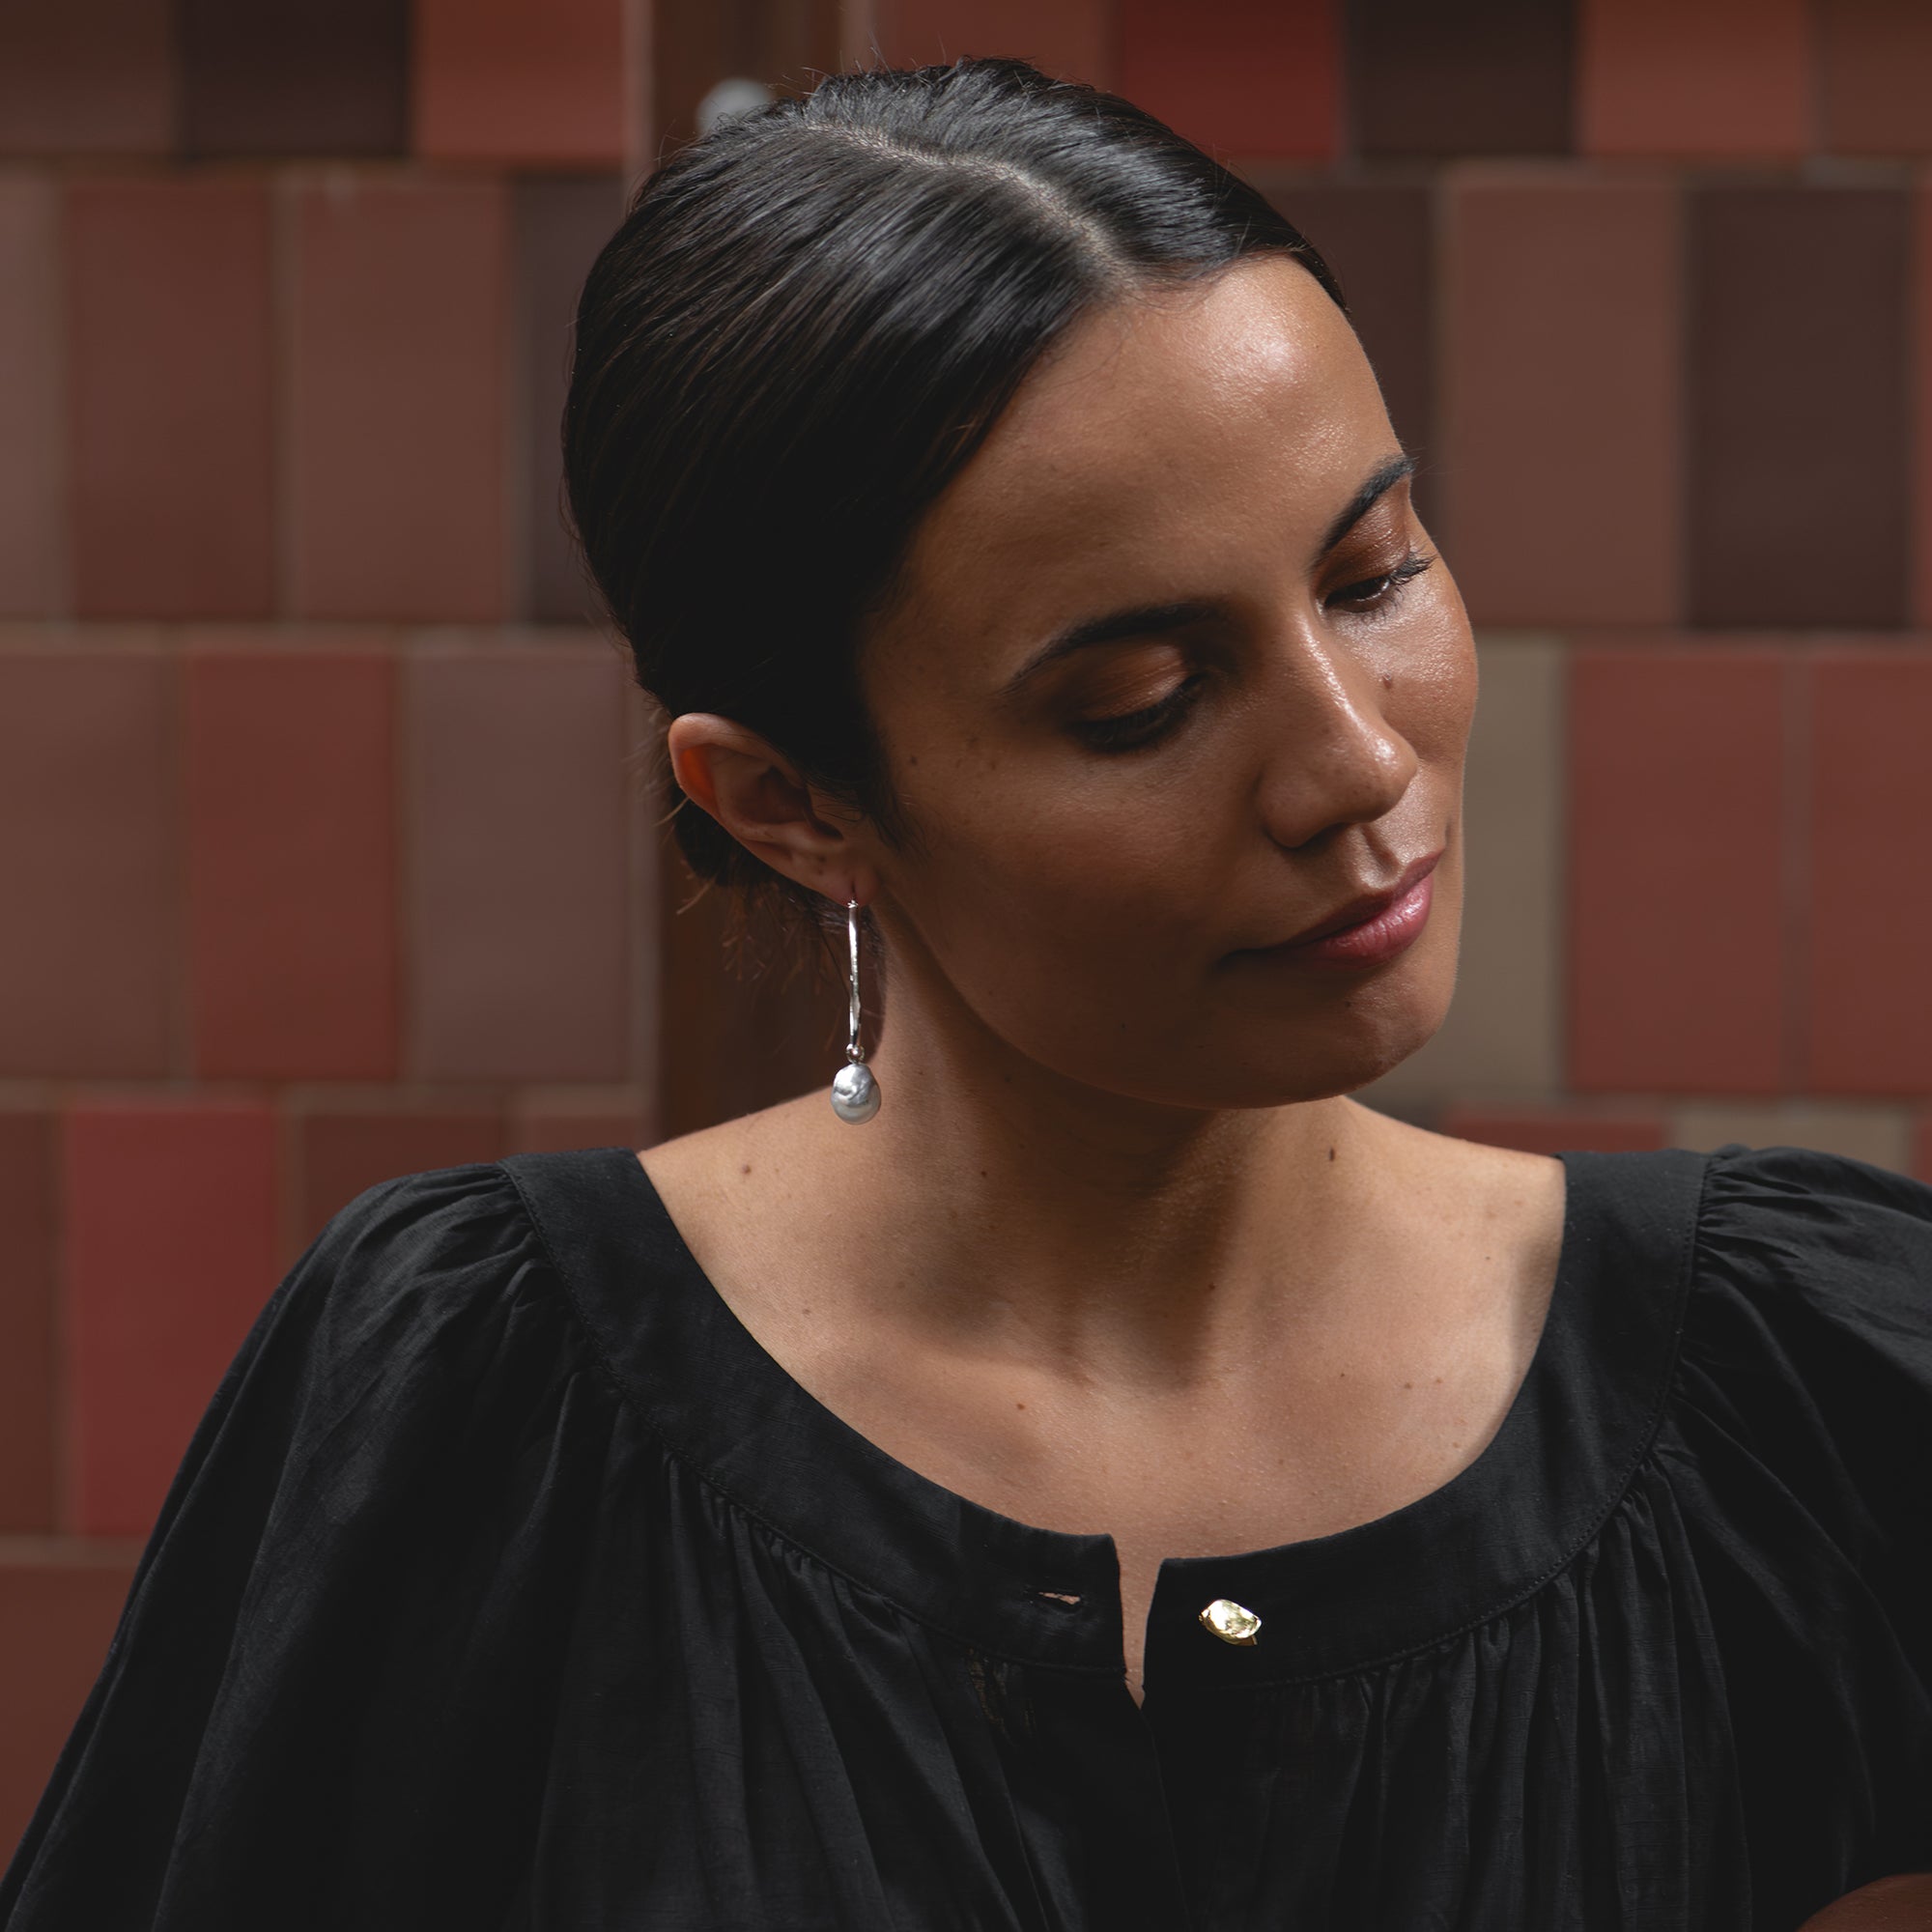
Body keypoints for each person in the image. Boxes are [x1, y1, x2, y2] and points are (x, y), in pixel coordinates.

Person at [4, 56, 1929, 1932]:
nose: (1351, 760)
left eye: (1372, 570)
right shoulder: (474, 1408)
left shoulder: (1805, 1384)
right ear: (793, 803)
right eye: (1137, 700)